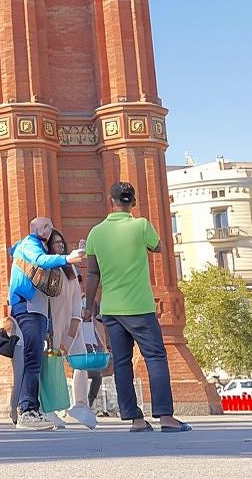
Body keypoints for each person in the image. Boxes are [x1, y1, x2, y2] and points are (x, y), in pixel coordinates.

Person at [84, 181, 191, 433]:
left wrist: (89, 306)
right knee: (154, 358)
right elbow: (159, 247)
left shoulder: (95, 233)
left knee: (121, 363)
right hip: (139, 307)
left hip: (110, 309)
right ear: (133, 202)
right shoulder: (141, 225)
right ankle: (165, 417)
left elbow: (92, 273)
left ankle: (136, 420)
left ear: (111, 201)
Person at [8, 216, 85, 431]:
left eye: (49, 225)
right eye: (45, 225)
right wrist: (67, 258)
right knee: (32, 361)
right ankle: (27, 411)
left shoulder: (36, 245)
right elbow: (40, 261)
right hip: (27, 307)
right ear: (36, 228)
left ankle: (32, 409)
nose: (48, 229)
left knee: (35, 361)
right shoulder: (30, 244)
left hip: (37, 311)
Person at [44, 229, 98, 429]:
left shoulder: (71, 270)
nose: (59, 246)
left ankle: (80, 405)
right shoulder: (46, 268)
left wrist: (75, 323)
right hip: (52, 326)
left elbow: (77, 298)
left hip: (71, 323)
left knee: (80, 361)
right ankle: (49, 410)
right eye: (55, 243)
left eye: (61, 243)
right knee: (52, 366)